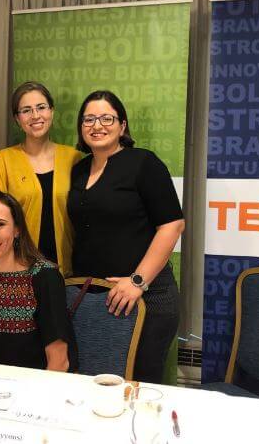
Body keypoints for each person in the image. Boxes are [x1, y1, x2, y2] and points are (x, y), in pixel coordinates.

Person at [67, 90, 185, 383]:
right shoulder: (78, 170)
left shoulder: (144, 163)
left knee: (138, 385)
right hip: (95, 299)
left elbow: (172, 225)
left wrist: (137, 282)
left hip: (145, 297)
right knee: (95, 384)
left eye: (107, 118)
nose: (97, 125)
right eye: (89, 119)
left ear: (122, 125)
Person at [0, 191, 77, 371]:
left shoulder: (44, 276)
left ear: (17, 229)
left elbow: (59, 361)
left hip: (37, 383)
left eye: (0, 224)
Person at [0, 82, 81, 275]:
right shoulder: (3, 160)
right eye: (26, 110)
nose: (35, 115)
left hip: (69, 271)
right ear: (17, 118)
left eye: (41, 107)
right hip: (18, 270)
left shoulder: (74, 158)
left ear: (52, 111)